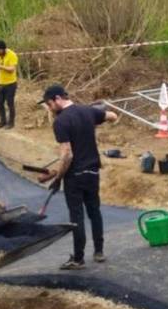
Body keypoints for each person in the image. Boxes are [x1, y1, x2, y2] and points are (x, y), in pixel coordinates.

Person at [37, 84, 119, 270]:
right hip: (92, 171)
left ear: (57, 99)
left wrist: (58, 178)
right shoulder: (87, 111)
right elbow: (113, 117)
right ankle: (99, 251)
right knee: (94, 211)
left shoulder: (61, 122)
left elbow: (67, 154)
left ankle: (78, 259)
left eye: (49, 104)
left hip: (75, 175)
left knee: (77, 217)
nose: (49, 108)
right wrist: (96, 116)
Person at [0, 39, 18, 128]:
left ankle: (11, 123)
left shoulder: (12, 55)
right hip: (1, 83)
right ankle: (3, 121)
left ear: (2, 48)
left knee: (10, 103)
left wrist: (0, 67)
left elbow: (11, 69)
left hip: (10, 83)